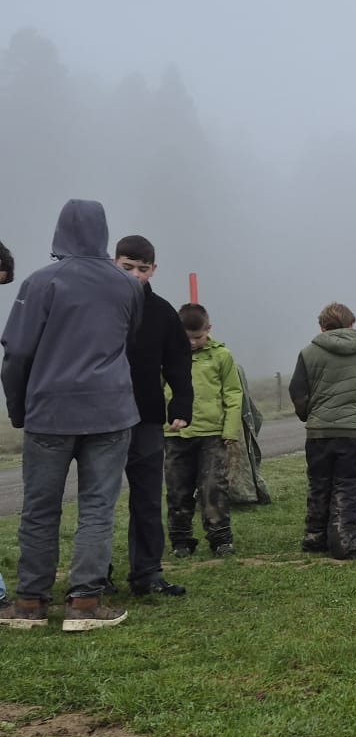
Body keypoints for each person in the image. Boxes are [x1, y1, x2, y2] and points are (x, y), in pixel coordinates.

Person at [0, 200, 141, 631]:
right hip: (111, 411)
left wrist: (18, 408)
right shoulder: (128, 285)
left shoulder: (40, 282)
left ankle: (29, 603)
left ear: (60, 231)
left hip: (50, 412)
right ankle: (84, 603)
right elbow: (128, 340)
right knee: (97, 507)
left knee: (39, 510)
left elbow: (17, 352)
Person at [112, 235, 194, 598]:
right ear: (113, 263)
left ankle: (147, 573)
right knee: (98, 499)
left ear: (153, 270)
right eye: (127, 267)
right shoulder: (98, 306)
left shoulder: (162, 312)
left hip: (146, 417)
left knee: (146, 498)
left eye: (142, 269)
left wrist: (182, 404)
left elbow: (178, 360)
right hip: (102, 419)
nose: (135, 275)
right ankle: (95, 575)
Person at [289, 302, 356, 560]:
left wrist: (308, 414)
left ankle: (314, 538)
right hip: (353, 432)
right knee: (347, 486)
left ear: (321, 326)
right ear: (351, 324)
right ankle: (344, 541)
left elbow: (297, 391)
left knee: (319, 484)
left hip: (318, 432)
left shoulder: (308, 353)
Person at [165, 304, 242, 559]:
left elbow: (233, 393)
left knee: (213, 488)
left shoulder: (222, 356)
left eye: (197, 337)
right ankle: (180, 540)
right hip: (176, 435)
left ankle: (220, 539)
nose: (193, 343)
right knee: (178, 490)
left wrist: (230, 430)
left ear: (208, 329)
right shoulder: (168, 355)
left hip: (212, 434)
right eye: (187, 338)